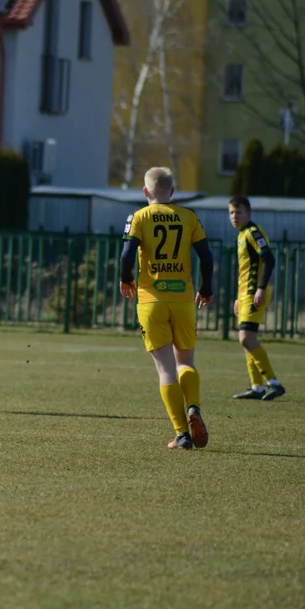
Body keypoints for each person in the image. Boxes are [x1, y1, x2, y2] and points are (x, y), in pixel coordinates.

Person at [119, 167, 214, 450]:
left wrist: (126, 280)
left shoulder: (138, 217)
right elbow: (207, 258)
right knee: (186, 362)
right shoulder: (188, 217)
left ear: (146, 192)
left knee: (166, 370)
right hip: (183, 300)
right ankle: (194, 407)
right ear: (172, 191)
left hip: (151, 300)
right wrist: (206, 288)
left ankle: (182, 434)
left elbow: (126, 256)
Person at [228, 196, 286, 401]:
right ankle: (257, 387)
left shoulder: (253, 232)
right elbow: (245, 270)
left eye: (238, 212)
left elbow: (269, 259)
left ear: (248, 213)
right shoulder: (241, 235)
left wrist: (260, 288)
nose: (234, 216)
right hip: (245, 295)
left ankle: (273, 382)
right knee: (246, 340)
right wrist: (238, 297)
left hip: (255, 293)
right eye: (231, 213)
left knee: (246, 338)